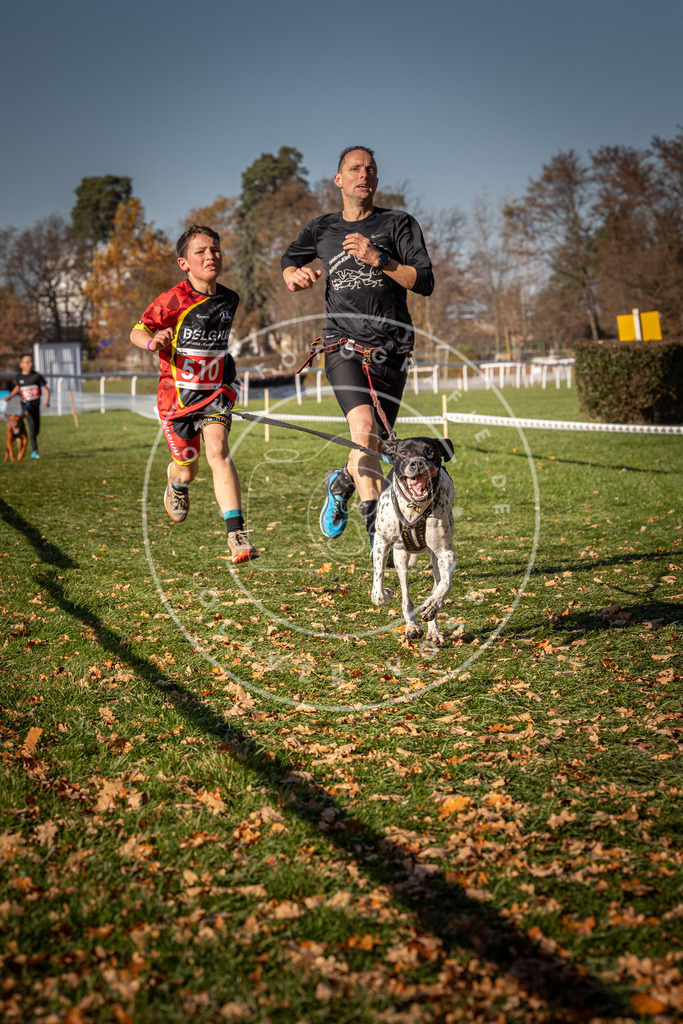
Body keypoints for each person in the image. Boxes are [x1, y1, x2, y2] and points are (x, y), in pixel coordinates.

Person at [281, 146, 434, 547]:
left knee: (375, 443)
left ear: (377, 180)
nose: (362, 174)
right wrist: (293, 276)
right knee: (363, 430)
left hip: (392, 348)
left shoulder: (399, 223)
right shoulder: (321, 228)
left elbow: (424, 282)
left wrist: (378, 258)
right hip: (342, 346)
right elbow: (289, 259)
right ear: (339, 179)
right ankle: (376, 535)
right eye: (354, 168)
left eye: (370, 169)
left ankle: (341, 481)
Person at [130, 224, 259, 565]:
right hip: (177, 400)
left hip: (214, 394)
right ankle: (177, 482)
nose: (210, 256)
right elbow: (138, 330)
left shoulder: (229, 298)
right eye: (200, 251)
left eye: (215, 249)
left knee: (218, 449)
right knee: (188, 468)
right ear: (184, 263)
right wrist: (152, 341)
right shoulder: (173, 299)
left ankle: (236, 534)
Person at [7, 354, 49, 459]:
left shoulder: (36, 376)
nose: (30, 364)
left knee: (36, 429)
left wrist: (47, 401)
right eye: (27, 362)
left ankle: (26, 439)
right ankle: (35, 450)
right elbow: (17, 387)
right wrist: (10, 396)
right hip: (26, 407)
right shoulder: (18, 377)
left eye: (31, 362)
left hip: (36, 406)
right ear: (21, 365)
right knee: (32, 426)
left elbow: (45, 389)